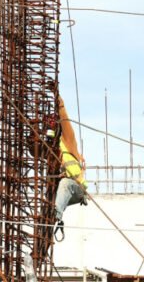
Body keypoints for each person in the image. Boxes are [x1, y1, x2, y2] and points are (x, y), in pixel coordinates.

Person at [54, 96, 88, 240]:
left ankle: (55, 213)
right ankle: (52, 217)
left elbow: (65, 122)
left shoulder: (67, 142)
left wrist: (60, 105)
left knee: (65, 183)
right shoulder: (51, 151)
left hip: (77, 188)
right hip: (65, 192)